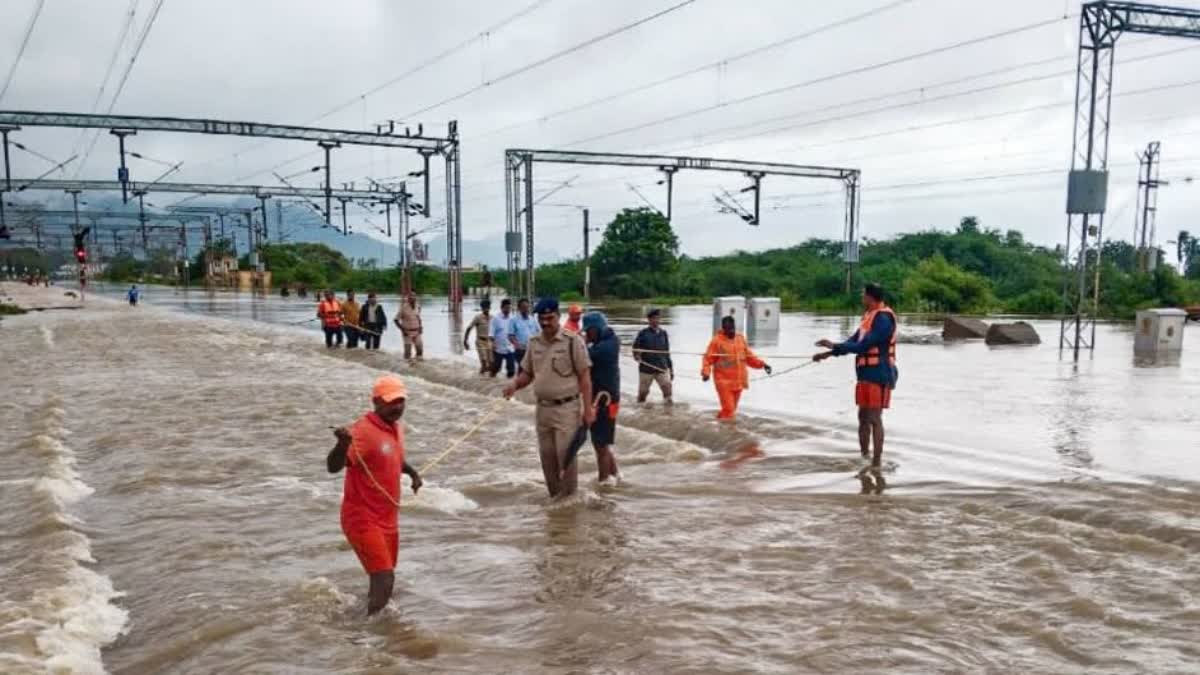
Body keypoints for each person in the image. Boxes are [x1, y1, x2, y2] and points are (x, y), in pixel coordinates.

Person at [326, 375, 423, 616]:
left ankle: (359, 620)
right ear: (376, 402)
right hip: (362, 519)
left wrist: (412, 473)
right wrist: (341, 444)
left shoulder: (396, 428)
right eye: (391, 402)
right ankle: (373, 638)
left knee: (382, 578)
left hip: (387, 519)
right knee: (385, 578)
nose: (398, 407)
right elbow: (333, 466)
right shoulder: (363, 432)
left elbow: (392, 457)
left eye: (401, 401)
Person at [503, 298, 595, 498]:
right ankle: (556, 501)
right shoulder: (534, 343)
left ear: (558, 316)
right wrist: (514, 384)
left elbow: (585, 377)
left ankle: (570, 499)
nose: (545, 322)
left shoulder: (573, 341)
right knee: (547, 457)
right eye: (542, 319)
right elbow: (527, 374)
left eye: (550, 318)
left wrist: (588, 410)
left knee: (566, 456)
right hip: (543, 410)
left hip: (567, 408)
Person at [813, 283, 898, 470]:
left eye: (863, 294)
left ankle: (876, 463)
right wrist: (828, 353)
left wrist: (834, 345)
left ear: (870, 297)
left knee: (875, 418)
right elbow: (853, 342)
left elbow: (863, 346)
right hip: (865, 373)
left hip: (880, 372)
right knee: (863, 416)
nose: (861, 297)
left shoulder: (883, 318)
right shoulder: (868, 317)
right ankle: (864, 457)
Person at [701, 316, 772, 420]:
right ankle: (728, 433)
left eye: (733, 328)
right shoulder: (716, 342)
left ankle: (717, 422)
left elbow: (750, 357)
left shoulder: (740, 339)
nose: (732, 331)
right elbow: (707, 359)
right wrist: (706, 373)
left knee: (731, 410)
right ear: (724, 329)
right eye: (729, 329)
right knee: (729, 411)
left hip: (738, 382)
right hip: (723, 383)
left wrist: (763, 365)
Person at [582, 312, 621, 484]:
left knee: (600, 445)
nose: (586, 335)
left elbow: (583, 357)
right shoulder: (608, 341)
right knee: (602, 443)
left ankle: (604, 483)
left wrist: (581, 344)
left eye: (588, 332)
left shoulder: (606, 347)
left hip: (605, 401)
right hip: (606, 400)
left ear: (596, 329)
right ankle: (615, 476)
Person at [632, 308, 673, 404]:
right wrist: (637, 356)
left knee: (668, 391)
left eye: (658, 318)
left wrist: (671, 368)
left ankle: (668, 413)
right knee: (643, 394)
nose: (656, 321)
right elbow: (635, 348)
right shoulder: (643, 333)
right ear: (649, 320)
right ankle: (640, 410)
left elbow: (667, 352)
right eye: (654, 318)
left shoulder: (664, 334)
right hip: (646, 369)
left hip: (661, 368)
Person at [463, 299, 494, 375]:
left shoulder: (493, 318)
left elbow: (496, 331)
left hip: (489, 342)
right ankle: (480, 378)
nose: (486, 309)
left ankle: (489, 381)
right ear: (482, 308)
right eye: (484, 307)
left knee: (491, 364)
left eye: (487, 307)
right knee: (484, 362)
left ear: (490, 307)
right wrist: (465, 341)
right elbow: (469, 328)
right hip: (480, 341)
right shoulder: (478, 317)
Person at [489, 298, 517, 378]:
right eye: (506, 308)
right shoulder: (496, 319)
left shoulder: (512, 318)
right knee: (496, 368)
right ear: (502, 308)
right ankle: (491, 379)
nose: (508, 310)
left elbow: (515, 332)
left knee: (511, 369)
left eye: (509, 308)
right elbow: (491, 333)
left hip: (510, 347)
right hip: (498, 348)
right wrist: (493, 344)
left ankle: (508, 384)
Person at [511, 297, 540, 365]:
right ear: (519, 308)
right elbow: (510, 335)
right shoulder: (513, 320)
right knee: (523, 369)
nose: (526, 309)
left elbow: (539, 332)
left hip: (532, 348)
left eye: (527, 307)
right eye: (523, 307)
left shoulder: (533, 319)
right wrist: (517, 345)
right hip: (520, 350)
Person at [395, 294, 424, 360]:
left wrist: (421, 327)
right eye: (411, 298)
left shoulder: (418, 306)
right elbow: (396, 320)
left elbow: (418, 317)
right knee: (408, 352)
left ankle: (418, 365)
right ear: (408, 299)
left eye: (414, 297)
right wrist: (403, 330)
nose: (413, 299)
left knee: (420, 350)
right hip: (407, 332)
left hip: (417, 331)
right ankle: (406, 366)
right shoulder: (403, 308)